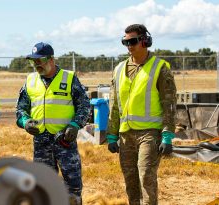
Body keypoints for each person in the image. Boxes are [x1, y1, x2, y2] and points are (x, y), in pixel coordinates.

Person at [106, 24, 177, 205]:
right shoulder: (119, 69)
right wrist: (112, 134)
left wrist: (167, 135)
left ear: (145, 41)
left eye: (133, 41)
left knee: (146, 176)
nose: (129, 45)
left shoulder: (160, 68)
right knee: (130, 181)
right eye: (125, 42)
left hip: (150, 133)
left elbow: (169, 104)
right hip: (125, 134)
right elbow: (115, 105)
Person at [16, 42, 90, 205]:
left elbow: (84, 105)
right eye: (33, 61)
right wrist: (25, 122)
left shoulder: (69, 78)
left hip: (64, 141)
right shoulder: (30, 81)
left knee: (73, 189)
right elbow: (20, 109)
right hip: (41, 144)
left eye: (39, 60)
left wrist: (76, 125)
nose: (36, 64)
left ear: (51, 59)